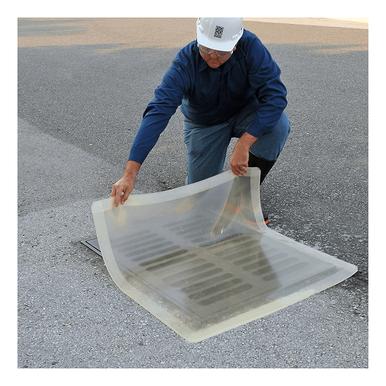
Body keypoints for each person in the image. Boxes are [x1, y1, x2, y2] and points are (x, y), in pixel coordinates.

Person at [111, 17, 290, 221]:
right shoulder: (185, 62)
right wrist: (130, 172)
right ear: (198, 39)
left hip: (245, 113)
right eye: (206, 49)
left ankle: (242, 197)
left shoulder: (251, 47)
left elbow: (276, 97)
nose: (213, 57)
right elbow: (158, 111)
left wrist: (245, 143)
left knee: (278, 126)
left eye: (221, 52)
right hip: (205, 122)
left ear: (235, 44)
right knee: (201, 202)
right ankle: (200, 186)